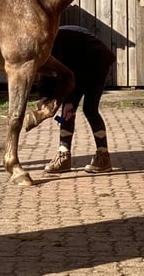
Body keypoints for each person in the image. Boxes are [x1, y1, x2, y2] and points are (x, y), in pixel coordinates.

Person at [40, 25, 116, 174]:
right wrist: (44, 97)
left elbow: (67, 73)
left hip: (97, 61)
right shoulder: (45, 43)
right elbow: (47, 71)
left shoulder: (54, 41)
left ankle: (103, 157)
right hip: (78, 65)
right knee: (66, 112)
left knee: (89, 109)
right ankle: (63, 156)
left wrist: (69, 100)